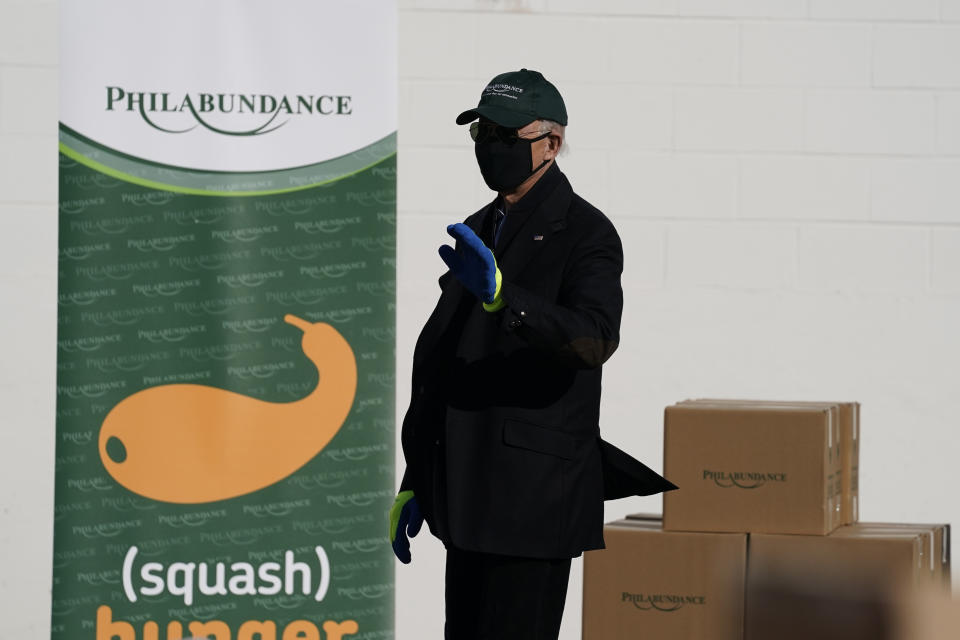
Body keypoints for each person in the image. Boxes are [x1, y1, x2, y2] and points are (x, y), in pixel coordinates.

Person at [389, 68, 675, 640]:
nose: (491, 148)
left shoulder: (587, 232)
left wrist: (503, 297)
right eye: (482, 135)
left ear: (552, 142)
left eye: (505, 136)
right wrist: (417, 475)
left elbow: (593, 337)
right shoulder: (478, 227)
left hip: (530, 503)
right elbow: (446, 364)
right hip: (466, 498)